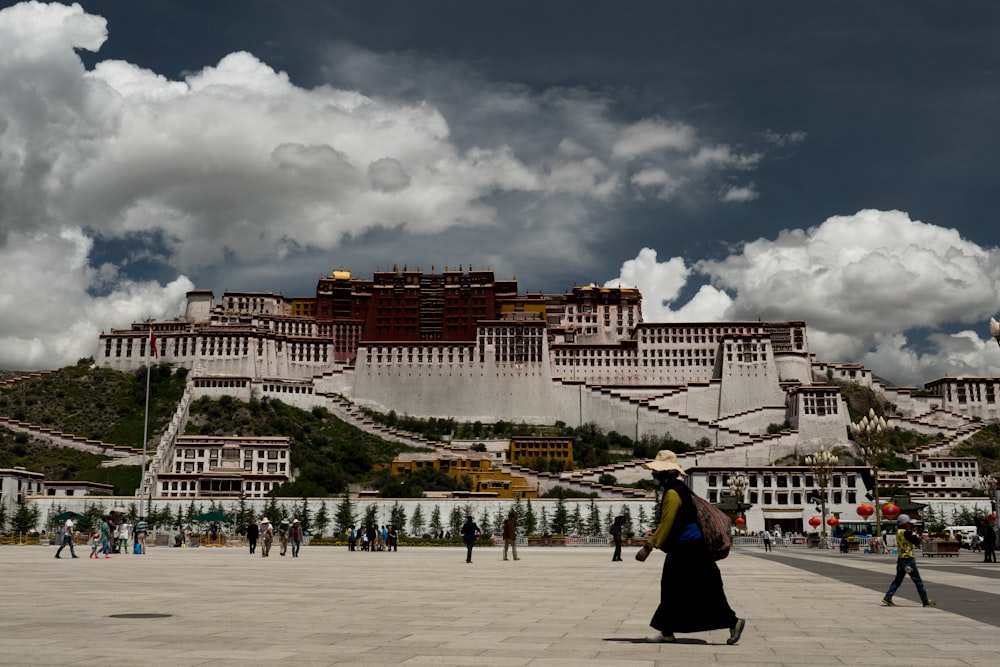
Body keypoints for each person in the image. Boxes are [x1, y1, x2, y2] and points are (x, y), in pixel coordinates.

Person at [636, 449, 746, 644]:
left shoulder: (672, 494)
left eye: (656, 472)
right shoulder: (681, 489)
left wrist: (648, 546)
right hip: (693, 549)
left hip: (688, 550)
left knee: (684, 589)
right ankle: (668, 631)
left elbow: (666, 522)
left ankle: (733, 622)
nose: (653, 475)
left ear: (666, 473)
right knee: (686, 589)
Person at [881, 514, 935, 607]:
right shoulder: (906, 533)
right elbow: (916, 541)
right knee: (918, 581)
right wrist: (915, 534)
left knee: (897, 580)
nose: (910, 525)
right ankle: (925, 600)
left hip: (901, 559)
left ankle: (888, 597)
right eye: (908, 523)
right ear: (904, 523)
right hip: (908, 559)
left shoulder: (898, 532)